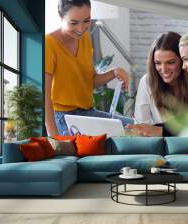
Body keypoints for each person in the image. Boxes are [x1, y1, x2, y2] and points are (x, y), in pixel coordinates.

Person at [45, 0, 134, 136]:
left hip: (88, 113)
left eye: (86, 21)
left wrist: (114, 72)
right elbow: (45, 98)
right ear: (61, 17)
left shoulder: (84, 37)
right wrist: (54, 138)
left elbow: (91, 81)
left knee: (135, 127)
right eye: (74, 23)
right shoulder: (49, 44)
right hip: (64, 118)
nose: (81, 29)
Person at [129, 32, 188, 136]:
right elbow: (142, 126)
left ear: (183, 60)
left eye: (170, 62)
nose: (163, 69)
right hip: (155, 146)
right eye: (158, 63)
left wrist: (157, 131)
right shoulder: (147, 82)